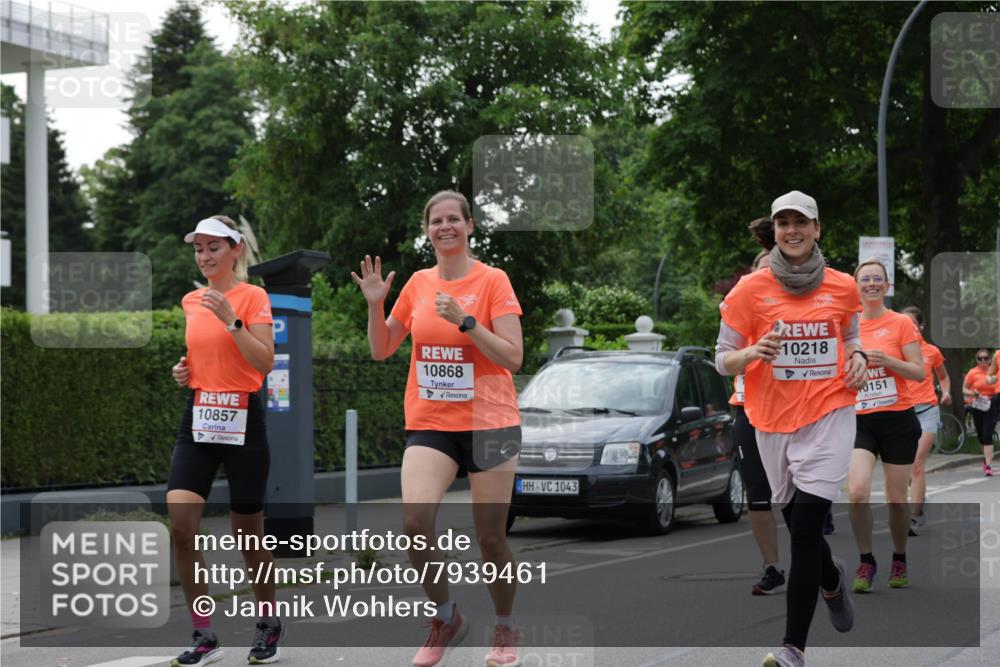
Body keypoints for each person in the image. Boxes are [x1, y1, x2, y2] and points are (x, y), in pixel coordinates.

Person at [352, 190, 524, 667]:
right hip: (431, 421)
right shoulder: (418, 284)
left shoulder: (493, 281)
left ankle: (506, 629)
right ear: (427, 230)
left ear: (470, 226)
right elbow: (382, 348)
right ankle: (445, 617)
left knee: (489, 536)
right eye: (436, 221)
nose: (445, 226)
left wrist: (468, 321)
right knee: (414, 522)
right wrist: (374, 305)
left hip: (491, 421)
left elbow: (513, 356)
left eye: (454, 219)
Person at [717, 191, 865, 667]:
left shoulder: (843, 286)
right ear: (775, 231)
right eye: (783, 223)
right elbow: (722, 359)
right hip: (771, 421)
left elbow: (850, 334)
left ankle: (792, 649)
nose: (791, 230)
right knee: (795, 523)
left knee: (803, 529)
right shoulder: (749, 290)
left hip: (829, 415)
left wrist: (859, 357)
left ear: (817, 229)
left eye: (800, 222)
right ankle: (831, 579)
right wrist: (751, 353)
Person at [168, 216, 279, 666]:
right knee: (180, 523)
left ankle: (268, 622)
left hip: (242, 420)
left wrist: (230, 319)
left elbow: (265, 362)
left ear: (235, 250)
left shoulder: (253, 297)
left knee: (248, 535)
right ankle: (203, 632)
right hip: (198, 416)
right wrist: (184, 371)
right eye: (199, 249)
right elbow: (202, 357)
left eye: (214, 247)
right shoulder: (190, 300)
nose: (205, 256)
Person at [846, 259, 924, 593]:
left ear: (886, 285)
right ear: (856, 286)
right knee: (857, 491)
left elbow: (919, 372)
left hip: (897, 419)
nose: (872, 284)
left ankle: (899, 555)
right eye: (865, 279)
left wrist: (887, 360)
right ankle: (866, 559)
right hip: (858, 419)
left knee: (896, 500)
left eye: (878, 279)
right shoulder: (846, 325)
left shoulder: (902, 324)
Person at [731, 225, 786, 595]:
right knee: (758, 494)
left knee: (797, 495)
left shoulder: (795, 310)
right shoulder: (739, 312)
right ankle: (772, 566)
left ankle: (816, 559)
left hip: (791, 412)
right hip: (747, 412)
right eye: (763, 268)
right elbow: (726, 360)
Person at [900, 305, 952, 535]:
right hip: (901, 412)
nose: (906, 328)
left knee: (917, 464)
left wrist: (947, 392)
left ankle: (913, 518)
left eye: (911, 324)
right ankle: (919, 506)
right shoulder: (895, 351)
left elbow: (943, 376)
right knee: (905, 468)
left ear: (920, 326)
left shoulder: (931, 351)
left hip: (927, 410)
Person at [963, 349, 999, 476]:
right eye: (980, 358)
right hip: (977, 405)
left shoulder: (995, 371)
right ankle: (986, 459)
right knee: (980, 435)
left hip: (992, 404)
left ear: (990, 359)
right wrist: (973, 393)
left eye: (986, 358)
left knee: (987, 435)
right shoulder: (973, 373)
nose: (983, 361)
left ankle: (988, 465)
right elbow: (964, 389)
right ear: (977, 360)